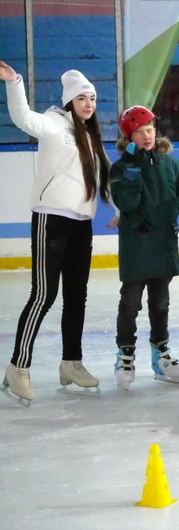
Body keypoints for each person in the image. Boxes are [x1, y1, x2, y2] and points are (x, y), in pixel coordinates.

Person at [1, 63, 116, 402]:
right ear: (69, 101)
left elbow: (102, 178)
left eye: (92, 98)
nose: (89, 104)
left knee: (76, 297)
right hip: (51, 219)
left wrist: (117, 208)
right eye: (82, 98)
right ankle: (18, 367)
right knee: (43, 295)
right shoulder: (53, 123)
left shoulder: (91, 136)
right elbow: (24, 118)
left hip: (82, 223)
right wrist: (14, 82)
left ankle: (71, 362)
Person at [110, 106, 179, 390]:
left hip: (163, 243)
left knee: (160, 303)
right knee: (130, 302)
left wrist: (171, 213)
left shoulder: (171, 164)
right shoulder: (120, 168)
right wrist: (132, 169)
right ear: (128, 137)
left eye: (150, 129)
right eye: (140, 131)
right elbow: (127, 203)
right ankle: (126, 353)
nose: (147, 135)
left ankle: (161, 355)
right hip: (136, 246)